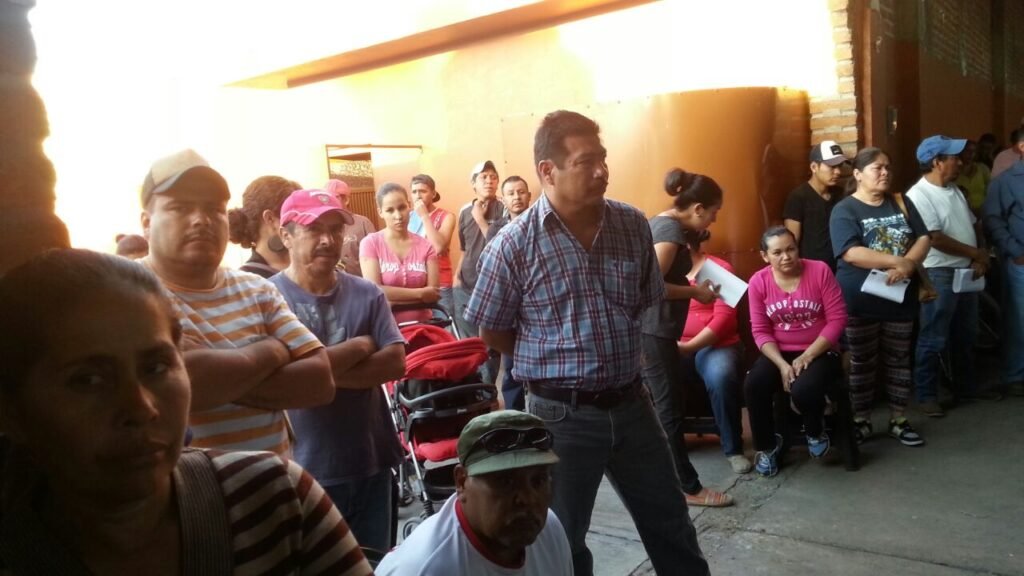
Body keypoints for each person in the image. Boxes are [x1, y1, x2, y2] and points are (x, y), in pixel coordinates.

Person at [0, 248, 371, 575]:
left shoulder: (277, 500)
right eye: (88, 380)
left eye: (157, 367)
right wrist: (271, 352)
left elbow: (318, 380)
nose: (141, 408)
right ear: (12, 412)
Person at [466, 110, 709, 576]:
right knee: (562, 540)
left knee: (672, 525)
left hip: (633, 405)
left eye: (602, 159)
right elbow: (491, 331)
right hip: (561, 416)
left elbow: (644, 301)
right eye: (585, 162)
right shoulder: (513, 245)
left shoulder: (631, 224)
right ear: (547, 171)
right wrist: (553, 358)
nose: (602, 172)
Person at [140, 149, 334, 454]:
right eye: (180, 207)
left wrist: (219, 380)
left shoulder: (257, 290)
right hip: (188, 485)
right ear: (146, 223)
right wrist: (273, 350)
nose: (201, 220)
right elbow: (188, 380)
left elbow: (320, 381)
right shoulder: (129, 292)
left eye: (214, 209)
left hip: (275, 480)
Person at [270, 188, 407, 552]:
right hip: (305, 471)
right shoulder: (267, 299)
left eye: (335, 229)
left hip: (372, 461)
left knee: (374, 564)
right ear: (286, 235)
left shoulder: (368, 294)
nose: (328, 240)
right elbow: (276, 383)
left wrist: (308, 373)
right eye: (314, 229)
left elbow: (395, 362)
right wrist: (362, 346)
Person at [375, 411, 572, 576]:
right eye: (505, 482)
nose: (527, 498)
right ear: (461, 482)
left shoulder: (550, 530)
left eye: (538, 481)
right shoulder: (422, 568)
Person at [640, 168, 733, 507]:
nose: (713, 220)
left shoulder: (664, 224)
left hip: (655, 330)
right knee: (668, 410)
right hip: (653, 330)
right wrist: (695, 292)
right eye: (713, 212)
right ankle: (688, 487)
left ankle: (662, 480)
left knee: (660, 407)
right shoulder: (669, 232)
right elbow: (650, 287)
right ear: (697, 209)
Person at [829, 147, 930, 447]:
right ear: (858, 174)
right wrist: (897, 262)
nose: (885, 172)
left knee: (899, 359)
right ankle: (861, 420)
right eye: (877, 168)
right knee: (861, 362)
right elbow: (851, 252)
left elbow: (924, 237)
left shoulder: (901, 201)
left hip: (900, 298)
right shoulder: (845, 210)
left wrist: (907, 265)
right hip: (860, 302)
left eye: (887, 167)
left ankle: (898, 419)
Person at [744, 227, 848, 476]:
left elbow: (837, 319)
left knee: (803, 388)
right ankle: (768, 447)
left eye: (790, 249)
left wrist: (808, 355)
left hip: (821, 349)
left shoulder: (819, 270)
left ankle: (814, 429)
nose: (786, 256)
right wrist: (781, 364)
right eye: (777, 252)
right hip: (779, 352)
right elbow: (760, 330)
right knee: (754, 384)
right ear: (765, 256)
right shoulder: (758, 281)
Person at [907, 135, 996, 416]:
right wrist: (976, 253)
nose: (960, 162)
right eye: (953, 157)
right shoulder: (918, 195)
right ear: (937, 162)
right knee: (934, 337)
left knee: (966, 333)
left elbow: (973, 224)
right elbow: (934, 238)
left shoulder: (954, 190)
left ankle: (965, 387)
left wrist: (978, 255)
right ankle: (926, 395)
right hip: (939, 272)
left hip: (965, 271)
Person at [678, 241, 749, 473]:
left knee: (720, 375)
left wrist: (687, 347)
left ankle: (733, 449)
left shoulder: (719, 268)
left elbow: (723, 321)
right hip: (676, 346)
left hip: (718, 345)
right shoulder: (665, 274)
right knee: (650, 376)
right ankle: (670, 444)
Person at [360, 182, 440, 324]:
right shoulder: (371, 244)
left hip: (424, 327)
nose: (398, 216)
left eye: (402, 207)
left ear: (409, 206)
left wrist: (393, 299)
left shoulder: (426, 246)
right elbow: (374, 291)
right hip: (385, 329)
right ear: (380, 212)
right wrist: (420, 293)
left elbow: (433, 294)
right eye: (390, 210)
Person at [983, 128, 1024, 397]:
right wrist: (1014, 250)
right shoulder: (1006, 181)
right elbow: (993, 219)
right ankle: (1016, 375)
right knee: (1019, 319)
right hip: (1021, 261)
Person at [454, 161, 504, 384]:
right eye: (483, 177)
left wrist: (481, 220)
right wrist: (457, 275)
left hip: (492, 286)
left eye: (493, 177)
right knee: (468, 342)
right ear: (473, 183)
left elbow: (502, 245)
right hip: (465, 285)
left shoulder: (504, 208)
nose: (489, 181)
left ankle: (488, 387)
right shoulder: (465, 211)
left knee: (490, 343)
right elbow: (464, 248)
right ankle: (474, 387)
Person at [486, 175, 532, 410]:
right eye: (511, 193)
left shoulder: (540, 224)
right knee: (512, 366)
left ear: (529, 196)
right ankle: (515, 416)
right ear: (503, 199)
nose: (517, 197)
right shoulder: (496, 230)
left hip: (534, 304)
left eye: (521, 192)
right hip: (510, 306)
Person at [227, 175, 310, 278]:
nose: (305, 225)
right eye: (296, 217)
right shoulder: (247, 282)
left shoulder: (312, 269)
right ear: (270, 219)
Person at [783, 140, 849, 270]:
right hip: (811, 271)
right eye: (832, 166)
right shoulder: (798, 197)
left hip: (841, 269)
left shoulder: (842, 195)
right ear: (814, 167)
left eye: (839, 166)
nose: (838, 172)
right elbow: (792, 242)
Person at [408, 174, 457, 318]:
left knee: (443, 326)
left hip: (440, 285)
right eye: (414, 191)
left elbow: (439, 247)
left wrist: (424, 216)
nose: (418, 196)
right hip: (415, 285)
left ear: (433, 194)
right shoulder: (407, 217)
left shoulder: (447, 216)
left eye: (423, 191)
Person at [325, 178, 377, 277]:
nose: (329, 202)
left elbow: (377, 255)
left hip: (361, 283)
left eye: (334, 198)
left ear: (346, 200)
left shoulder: (363, 223)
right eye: (326, 199)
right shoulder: (322, 226)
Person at [956, 139, 992, 216]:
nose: (971, 154)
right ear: (960, 152)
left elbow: (991, 192)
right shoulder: (953, 171)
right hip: (961, 213)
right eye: (967, 151)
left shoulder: (983, 169)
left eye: (974, 151)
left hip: (983, 212)